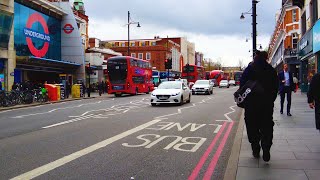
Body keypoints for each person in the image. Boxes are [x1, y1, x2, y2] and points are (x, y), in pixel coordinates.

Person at [240, 51, 279, 162]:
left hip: (251, 105)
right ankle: (266, 148)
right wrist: (270, 100)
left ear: (256, 57)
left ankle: (255, 148)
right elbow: (275, 87)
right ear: (266, 58)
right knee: (266, 126)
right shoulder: (271, 70)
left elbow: (242, 86)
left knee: (252, 126)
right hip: (266, 105)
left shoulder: (249, 69)